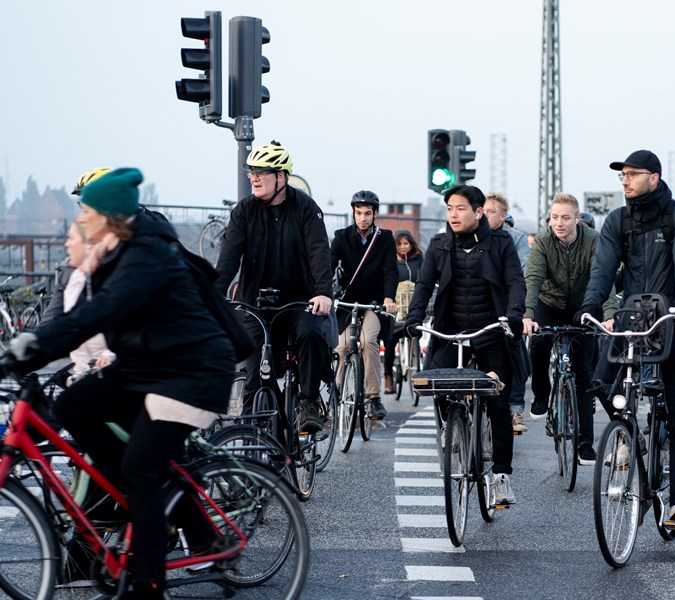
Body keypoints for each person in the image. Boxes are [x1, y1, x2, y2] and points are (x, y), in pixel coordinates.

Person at [10, 168, 234, 599]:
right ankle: (130, 489)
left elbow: (100, 313)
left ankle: (148, 584)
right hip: (148, 368)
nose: (80, 217)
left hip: (191, 373)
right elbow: (74, 320)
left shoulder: (144, 253)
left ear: (108, 216)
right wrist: (29, 350)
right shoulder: (110, 254)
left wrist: (33, 348)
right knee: (72, 407)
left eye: (87, 210)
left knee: (141, 468)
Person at [578, 149, 675, 537]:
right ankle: (627, 433)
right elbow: (603, 266)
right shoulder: (618, 219)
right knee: (602, 381)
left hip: (672, 319)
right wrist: (589, 304)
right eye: (622, 176)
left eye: (633, 174)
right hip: (633, 319)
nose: (626, 181)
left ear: (654, 176)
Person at [403, 184, 526, 505]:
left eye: (460, 208)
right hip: (451, 329)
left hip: (491, 330)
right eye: (449, 209)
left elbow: (515, 281)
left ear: (478, 212)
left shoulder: (500, 242)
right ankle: (452, 423)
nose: (453, 215)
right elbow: (424, 283)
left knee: (497, 401)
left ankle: (500, 476)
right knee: (435, 382)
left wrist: (513, 314)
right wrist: (414, 319)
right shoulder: (440, 244)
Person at [214, 141, 334, 433]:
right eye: (251, 171)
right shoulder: (244, 211)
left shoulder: (305, 207)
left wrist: (323, 292)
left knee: (309, 335)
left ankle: (307, 401)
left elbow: (319, 251)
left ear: (281, 177)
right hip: (256, 302)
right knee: (255, 378)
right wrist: (214, 294)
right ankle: (256, 447)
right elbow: (228, 257)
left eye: (262, 172)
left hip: (300, 299)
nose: (254, 177)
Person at [523, 192, 600, 464]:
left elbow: (603, 279)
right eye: (554, 217)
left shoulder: (592, 239)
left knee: (583, 374)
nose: (559, 223)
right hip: (548, 302)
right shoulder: (544, 239)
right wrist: (528, 315)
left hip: (582, 305)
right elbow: (533, 279)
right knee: (540, 341)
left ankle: (585, 443)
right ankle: (542, 394)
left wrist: (608, 314)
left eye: (565, 218)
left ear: (577, 219)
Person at [330, 190, 398, 420]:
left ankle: (374, 398)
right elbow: (329, 265)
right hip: (347, 302)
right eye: (359, 213)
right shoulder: (341, 237)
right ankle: (336, 391)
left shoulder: (385, 237)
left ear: (375, 214)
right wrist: (322, 293)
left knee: (369, 340)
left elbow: (391, 270)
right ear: (353, 213)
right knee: (340, 347)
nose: (363, 218)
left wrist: (389, 298)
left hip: (374, 303)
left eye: (368, 213)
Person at [484, 192, 531, 433]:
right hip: (477, 307)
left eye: (490, 211)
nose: (484, 214)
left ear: (503, 216)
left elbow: (521, 274)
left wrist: (518, 309)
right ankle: (451, 420)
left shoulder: (515, 238)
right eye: (482, 210)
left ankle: (515, 408)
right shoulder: (471, 235)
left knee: (516, 353)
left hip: (506, 306)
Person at [42, 168, 113, 325]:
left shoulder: (132, 249)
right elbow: (56, 309)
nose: (83, 212)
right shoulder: (80, 253)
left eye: (88, 204)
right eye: (83, 204)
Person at [61, 222, 115, 382]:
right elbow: (71, 329)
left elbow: (132, 328)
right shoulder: (75, 278)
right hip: (86, 374)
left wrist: (110, 356)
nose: (66, 244)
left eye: (72, 238)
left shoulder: (111, 278)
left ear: (89, 245)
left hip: (114, 373)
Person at [383, 229, 423, 393]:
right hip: (395, 308)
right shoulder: (391, 260)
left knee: (417, 334)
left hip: (413, 305)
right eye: (399, 244)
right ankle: (388, 377)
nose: (403, 247)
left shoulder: (419, 259)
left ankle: (417, 368)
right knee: (390, 341)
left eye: (406, 243)